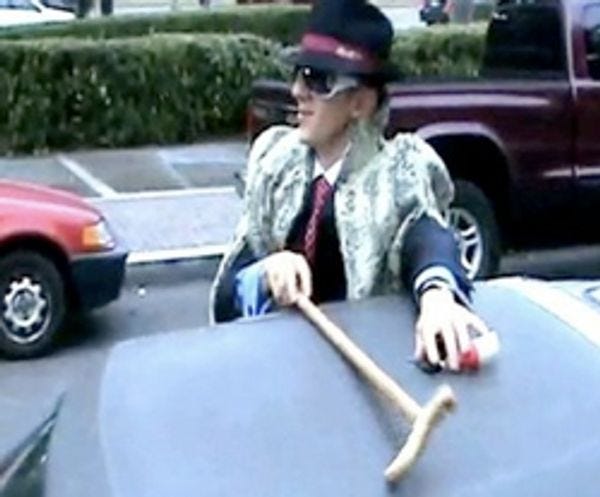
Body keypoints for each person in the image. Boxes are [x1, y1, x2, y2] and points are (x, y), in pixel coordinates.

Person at [210, 0, 491, 372]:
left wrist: (437, 297)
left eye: (318, 80)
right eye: (298, 75)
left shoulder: (397, 174)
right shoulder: (276, 167)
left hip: (364, 379)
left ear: (360, 103)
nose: (297, 91)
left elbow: (425, 237)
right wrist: (266, 272)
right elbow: (226, 295)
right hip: (281, 374)